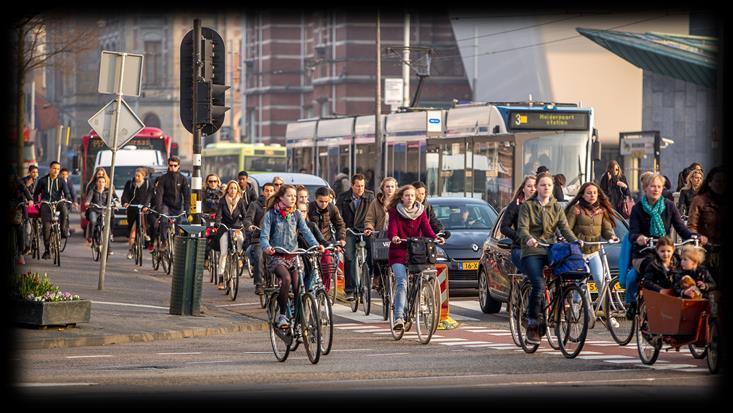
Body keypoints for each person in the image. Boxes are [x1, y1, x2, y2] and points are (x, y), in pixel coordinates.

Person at [517, 172, 580, 345]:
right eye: (543, 185)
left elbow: (565, 229)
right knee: (539, 284)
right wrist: (528, 238)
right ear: (537, 187)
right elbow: (522, 228)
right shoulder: (527, 206)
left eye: (549, 185)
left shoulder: (556, 207)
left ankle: (559, 312)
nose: (546, 188)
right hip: (532, 251)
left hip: (551, 250)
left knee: (565, 277)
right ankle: (532, 323)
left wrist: (575, 241)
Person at [626, 173, 698, 318]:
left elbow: (682, 229)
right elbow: (632, 232)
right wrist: (639, 238)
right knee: (639, 274)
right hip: (644, 251)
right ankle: (632, 303)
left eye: (659, 186)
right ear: (645, 188)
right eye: (652, 186)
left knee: (681, 268)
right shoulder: (638, 208)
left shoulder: (669, 206)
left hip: (665, 250)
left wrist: (695, 237)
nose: (656, 189)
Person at [261, 184, 324, 329]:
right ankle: (282, 315)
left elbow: (306, 231)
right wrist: (267, 248)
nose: (293, 198)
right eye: (289, 195)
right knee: (287, 279)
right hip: (276, 256)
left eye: (294, 196)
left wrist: (316, 245)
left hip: (294, 256)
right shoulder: (270, 214)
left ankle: (297, 319)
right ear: (281, 197)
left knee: (298, 286)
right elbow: (264, 236)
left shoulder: (296, 214)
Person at [387, 184, 444, 330]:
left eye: (412, 195)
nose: (410, 198)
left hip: (416, 254)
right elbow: (392, 229)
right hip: (398, 254)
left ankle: (420, 302)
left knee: (421, 279)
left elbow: (427, 230)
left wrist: (436, 238)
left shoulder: (421, 211)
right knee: (402, 281)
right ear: (401, 197)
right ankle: (399, 317)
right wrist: (394, 237)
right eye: (407, 195)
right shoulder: (394, 212)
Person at [564, 182, 619, 291]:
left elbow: (607, 230)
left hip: (594, 251)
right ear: (582, 195)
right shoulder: (576, 209)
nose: (592, 195)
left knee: (599, 279)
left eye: (594, 193)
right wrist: (575, 240)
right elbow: (567, 229)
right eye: (589, 193)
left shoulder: (602, 211)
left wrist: (612, 237)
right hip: (578, 252)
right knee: (581, 282)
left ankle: (603, 306)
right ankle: (577, 305)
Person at [336, 174, 375, 301]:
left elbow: (374, 213)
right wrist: (343, 229)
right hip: (350, 230)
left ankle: (369, 278)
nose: (360, 189)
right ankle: (350, 290)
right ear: (352, 186)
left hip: (366, 229)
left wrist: (370, 227)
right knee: (349, 257)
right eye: (357, 186)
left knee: (373, 251)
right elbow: (339, 217)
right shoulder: (343, 197)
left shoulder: (370, 196)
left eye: (362, 186)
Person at [308, 186, 347, 294]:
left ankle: (325, 291)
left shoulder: (332, 208)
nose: (324, 204)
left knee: (327, 267)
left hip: (326, 241)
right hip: (310, 241)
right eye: (321, 201)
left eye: (326, 201)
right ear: (315, 199)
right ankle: (308, 290)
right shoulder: (309, 208)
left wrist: (341, 239)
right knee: (309, 268)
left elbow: (340, 225)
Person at [687, 167, 724, 280]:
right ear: (709, 183)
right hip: (707, 250)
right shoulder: (699, 200)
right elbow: (691, 227)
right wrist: (699, 237)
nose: (721, 185)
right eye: (718, 181)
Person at [34, 161, 73, 259]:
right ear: (50, 169)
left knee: (64, 209)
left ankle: (63, 230)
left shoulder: (61, 181)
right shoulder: (42, 180)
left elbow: (67, 193)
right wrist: (36, 202)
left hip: (58, 202)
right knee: (46, 227)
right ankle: (47, 250)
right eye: (54, 168)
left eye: (58, 169)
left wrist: (68, 198)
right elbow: (36, 193)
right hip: (46, 204)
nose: (56, 171)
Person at [364, 177, 398, 290]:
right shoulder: (376, 202)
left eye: (392, 186)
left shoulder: (399, 201)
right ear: (383, 188)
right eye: (387, 186)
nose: (390, 189)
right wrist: (369, 228)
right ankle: (377, 276)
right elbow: (370, 218)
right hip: (380, 234)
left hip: (395, 234)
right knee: (378, 257)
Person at [244, 182, 276, 295]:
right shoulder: (255, 204)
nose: (269, 193)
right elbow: (248, 219)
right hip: (259, 237)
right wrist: (250, 226)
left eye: (271, 190)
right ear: (263, 192)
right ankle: (259, 284)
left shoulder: (277, 205)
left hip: (274, 239)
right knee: (258, 256)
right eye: (267, 190)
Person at [500, 175, 537, 272]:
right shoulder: (515, 205)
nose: (533, 189)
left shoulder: (543, 205)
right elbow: (504, 227)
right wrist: (520, 238)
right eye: (529, 186)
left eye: (535, 186)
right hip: (520, 248)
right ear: (523, 189)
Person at [215, 180, 248, 290]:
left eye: (235, 188)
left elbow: (245, 216)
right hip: (225, 228)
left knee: (241, 239)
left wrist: (245, 224)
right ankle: (220, 278)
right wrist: (217, 222)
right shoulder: (222, 201)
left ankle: (239, 256)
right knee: (224, 253)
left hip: (237, 228)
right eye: (231, 188)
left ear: (237, 190)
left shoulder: (241, 201)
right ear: (227, 190)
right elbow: (219, 214)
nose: (233, 190)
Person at [154, 156, 190, 249]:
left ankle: (177, 243)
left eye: (175, 165)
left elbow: (186, 195)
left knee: (179, 224)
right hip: (166, 205)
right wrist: (159, 209)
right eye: (171, 165)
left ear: (178, 166)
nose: (173, 167)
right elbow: (159, 195)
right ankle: (164, 241)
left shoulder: (183, 179)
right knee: (163, 221)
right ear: (168, 165)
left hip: (178, 206)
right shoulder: (163, 178)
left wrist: (187, 208)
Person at [121, 167, 154, 260]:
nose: (136, 177)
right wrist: (125, 202)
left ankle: (146, 233)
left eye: (138, 176)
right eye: (135, 175)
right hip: (133, 209)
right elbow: (125, 194)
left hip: (144, 209)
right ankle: (131, 250)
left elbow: (150, 195)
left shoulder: (148, 184)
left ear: (143, 176)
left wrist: (147, 205)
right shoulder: (130, 184)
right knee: (132, 232)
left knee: (144, 222)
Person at [84, 175, 120, 249]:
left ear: (105, 183)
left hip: (104, 211)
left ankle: (109, 247)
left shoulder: (107, 191)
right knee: (93, 221)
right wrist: (87, 203)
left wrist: (115, 203)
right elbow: (88, 199)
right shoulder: (92, 191)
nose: (101, 183)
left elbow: (112, 199)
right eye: (99, 182)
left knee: (107, 228)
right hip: (94, 210)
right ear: (96, 183)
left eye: (103, 182)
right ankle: (90, 236)